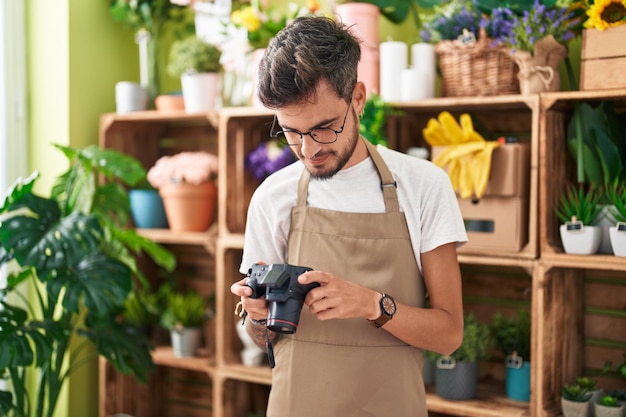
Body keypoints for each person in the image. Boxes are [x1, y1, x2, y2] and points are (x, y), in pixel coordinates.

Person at [230, 15, 467, 417]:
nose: (308, 150)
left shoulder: (424, 185)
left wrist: (371, 303)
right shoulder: (273, 196)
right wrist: (257, 320)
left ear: (357, 98)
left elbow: (449, 335)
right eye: (291, 132)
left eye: (324, 128)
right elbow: (261, 339)